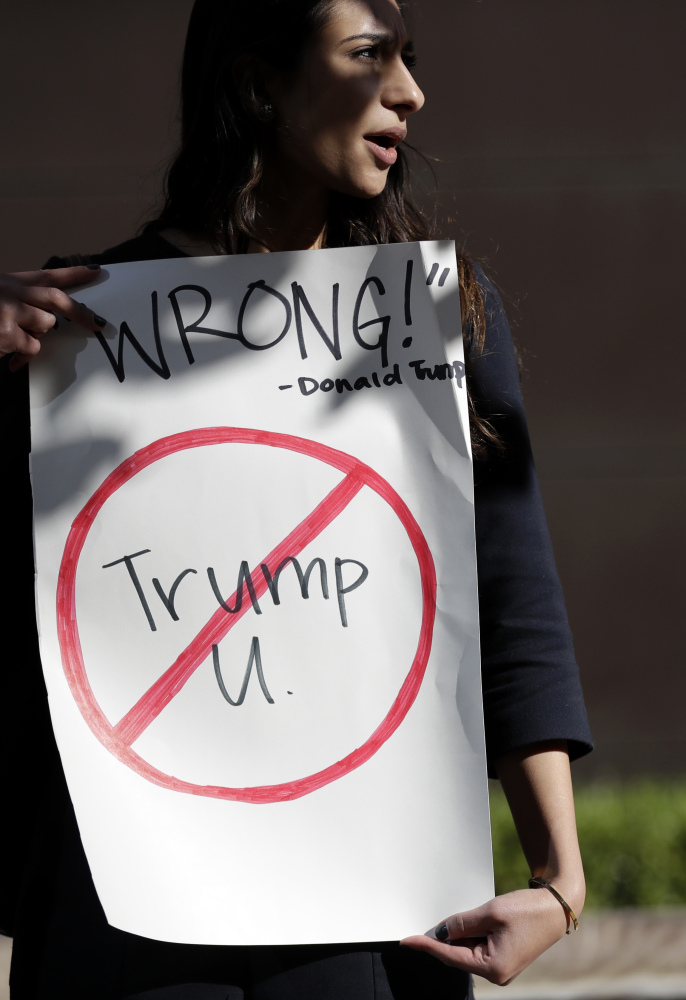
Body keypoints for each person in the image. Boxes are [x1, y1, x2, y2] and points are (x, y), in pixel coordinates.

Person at [0, 0, 593, 996]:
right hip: (128, 917)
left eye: (406, 58)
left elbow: (509, 602)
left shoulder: (434, 323)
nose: (409, 91)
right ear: (256, 83)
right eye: (371, 57)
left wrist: (560, 883)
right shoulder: (68, 325)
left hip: (370, 926)